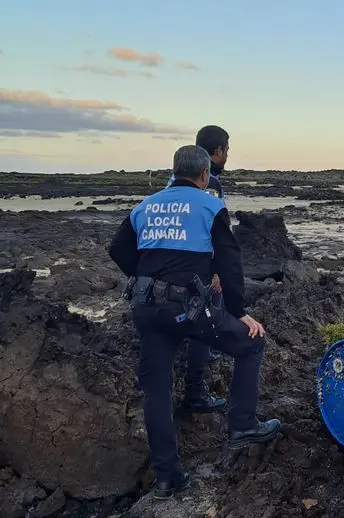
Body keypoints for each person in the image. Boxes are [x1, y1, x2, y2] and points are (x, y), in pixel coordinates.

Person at [108, 145, 280, 499]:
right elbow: (230, 261)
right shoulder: (210, 205)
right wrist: (239, 311)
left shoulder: (146, 205)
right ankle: (244, 425)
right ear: (204, 175)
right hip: (185, 307)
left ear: (174, 171)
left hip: (146, 308)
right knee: (251, 344)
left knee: (156, 390)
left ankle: (168, 478)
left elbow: (117, 249)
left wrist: (144, 276)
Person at [166, 126, 231, 399]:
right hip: (197, 268)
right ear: (217, 152)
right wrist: (218, 271)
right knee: (204, 319)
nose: (227, 156)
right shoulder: (209, 184)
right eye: (227, 150)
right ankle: (195, 391)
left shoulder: (174, 180)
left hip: (169, 265)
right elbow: (211, 229)